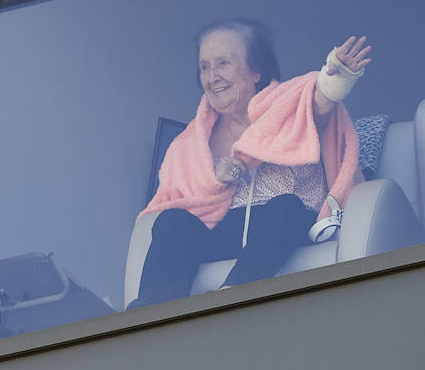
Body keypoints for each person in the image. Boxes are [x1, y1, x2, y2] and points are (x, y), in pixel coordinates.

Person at [131, 19, 372, 308]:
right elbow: (181, 196)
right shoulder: (191, 141)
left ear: (256, 70)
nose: (212, 76)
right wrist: (213, 178)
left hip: (283, 230)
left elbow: (316, 103)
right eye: (205, 67)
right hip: (222, 235)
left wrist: (337, 77)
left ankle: (231, 300)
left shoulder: (288, 106)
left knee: (285, 206)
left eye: (223, 63)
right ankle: (151, 317)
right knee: (172, 223)